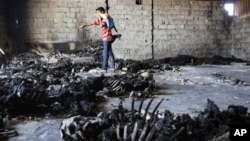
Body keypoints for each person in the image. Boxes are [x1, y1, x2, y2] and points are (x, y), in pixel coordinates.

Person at [79, 7, 120, 72]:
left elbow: (104, 24)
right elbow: (92, 23)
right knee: (109, 52)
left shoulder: (105, 20)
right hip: (108, 38)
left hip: (107, 39)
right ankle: (112, 67)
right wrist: (84, 25)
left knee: (105, 53)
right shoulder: (101, 20)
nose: (96, 14)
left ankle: (104, 68)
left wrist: (102, 24)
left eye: (98, 13)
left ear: (102, 12)